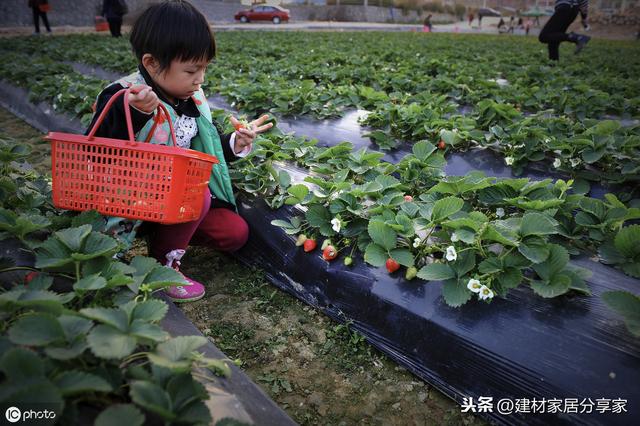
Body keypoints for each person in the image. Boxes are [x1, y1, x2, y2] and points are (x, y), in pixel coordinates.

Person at [86, 0, 273, 302]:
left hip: (175, 203)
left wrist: (235, 144)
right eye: (191, 70)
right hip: (127, 200)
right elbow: (97, 154)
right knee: (195, 191)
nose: (200, 80)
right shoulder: (122, 95)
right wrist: (137, 114)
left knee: (233, 232)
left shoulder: (192, 99)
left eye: (204, 69)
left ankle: (166, 238)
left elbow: (200, 149)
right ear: (151, 64)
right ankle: (163, 265)